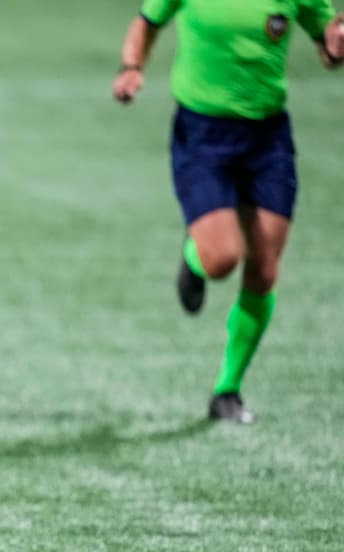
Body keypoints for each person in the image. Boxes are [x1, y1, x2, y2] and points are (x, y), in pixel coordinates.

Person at [114, 0, 344, 424]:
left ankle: (227, 390)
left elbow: (329, 45)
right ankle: (195, 256)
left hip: (268, 140)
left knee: (265, 270)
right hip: (202, 135)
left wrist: (334, 47)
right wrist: (132, 67)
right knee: (221, 259)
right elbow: (147, 22)